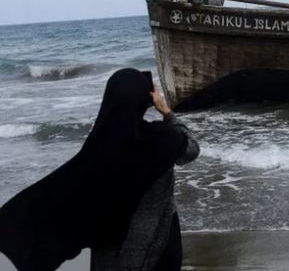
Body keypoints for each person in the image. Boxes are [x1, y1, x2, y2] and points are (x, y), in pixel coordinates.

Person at [0, 68, 199, 271]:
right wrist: (167, 113)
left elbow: (66, 190)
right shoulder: (163, 139)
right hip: (153, 242)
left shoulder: (101, 143)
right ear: (145, 100)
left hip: (108, 248)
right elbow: (191, 150)